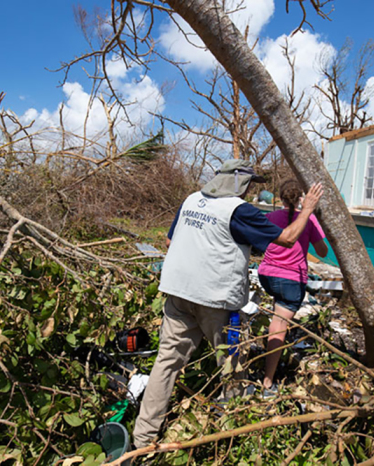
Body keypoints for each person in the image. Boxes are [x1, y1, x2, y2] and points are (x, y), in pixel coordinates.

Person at [133, 160, 324, 448]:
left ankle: (143, 438)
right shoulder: (239, 210)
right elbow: (287, 238)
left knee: (166, 362)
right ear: (238, 183)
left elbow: (171, 243)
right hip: (215, 300)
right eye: (248, 185)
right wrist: (307, 208)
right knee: (232, 364)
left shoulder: (191, 201)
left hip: (177, 292)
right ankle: (233, 429)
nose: (249, 192)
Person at [258, 179, 329, 392]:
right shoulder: (308, 219)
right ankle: (268, 380)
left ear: (279, 198)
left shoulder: (269, 217)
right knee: (279, 326)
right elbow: (323, 252)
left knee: (277, 314)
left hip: (266, 275)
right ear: (301, 199)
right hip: (290, 280)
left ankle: (271, 350)